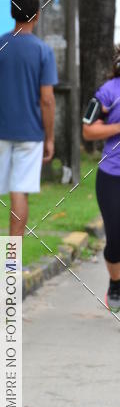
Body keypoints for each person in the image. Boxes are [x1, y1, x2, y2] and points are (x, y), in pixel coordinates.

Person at [0, 0, 57, 266]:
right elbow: (47, 99)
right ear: (37, 16)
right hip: (30, 134)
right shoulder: (43, 51)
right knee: (19, 192)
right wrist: (49, 137)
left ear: (11, 13)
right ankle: (10, 259)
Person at [81, 46, 120, 312]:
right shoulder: (109, 91)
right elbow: (88, 130)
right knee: (116, 238)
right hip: (112, 176)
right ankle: (116, 283)